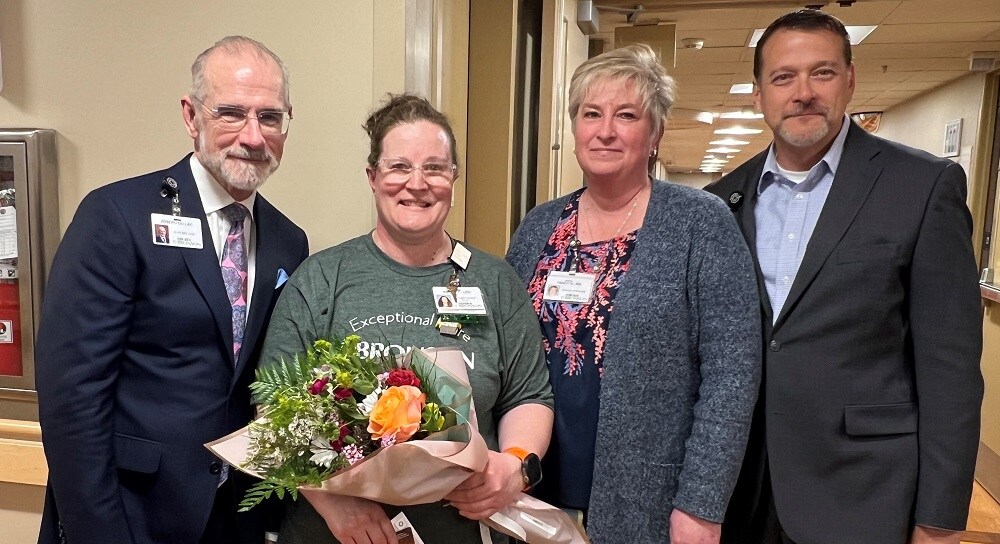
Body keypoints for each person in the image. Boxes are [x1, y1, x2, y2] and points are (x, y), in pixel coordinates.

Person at [705, 10, 984, 544]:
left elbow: (949, 368)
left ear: (851, 81)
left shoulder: (922, 187)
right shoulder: (721, 202)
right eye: (783, 77)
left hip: (862, 492)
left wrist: (940, 517)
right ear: (759, 95)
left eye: (823, 73)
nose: (803, 92)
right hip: (740, 492)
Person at [35, 36, 309, 544]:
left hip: (234, 518)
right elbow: (72, 398)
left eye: (270, 118)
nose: (253, 136)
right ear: (191, 116)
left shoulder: (288, 243)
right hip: (129, 511)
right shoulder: (118, 217)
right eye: (231, 113)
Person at [259, 93, 554, 544]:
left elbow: (529, 394)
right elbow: (274, 411)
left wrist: (514, 465)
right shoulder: (321, 279)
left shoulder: (496, 283)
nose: (417, 183)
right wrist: (335, 502)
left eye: (435, 168)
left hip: (463, 528)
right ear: (372, 176)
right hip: (339, 532)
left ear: (454, 178)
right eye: (399, 167)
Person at [506, 44, 761, 543]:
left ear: (655, 134)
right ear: (574, 127)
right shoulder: (538, 225)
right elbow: (506, 351)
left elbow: (731, 377)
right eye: (590, 114)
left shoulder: (700, 223)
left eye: (626, 115)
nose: (605, 130)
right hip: (530, 480)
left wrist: (701, 505)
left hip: (647, 494)